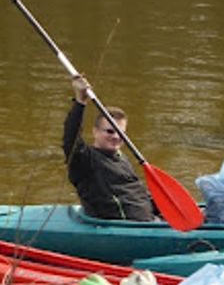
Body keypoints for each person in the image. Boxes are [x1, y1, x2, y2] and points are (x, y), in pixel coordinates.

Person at [63, 76, 158, 221]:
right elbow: (71, 138)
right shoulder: (85, 159)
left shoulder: (121, 158)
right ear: (95, 132)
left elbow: (138, 193)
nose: (116, 137)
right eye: (109, 131)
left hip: (151, 221)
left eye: (120, 133)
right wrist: (80, 102)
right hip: (124, 227)